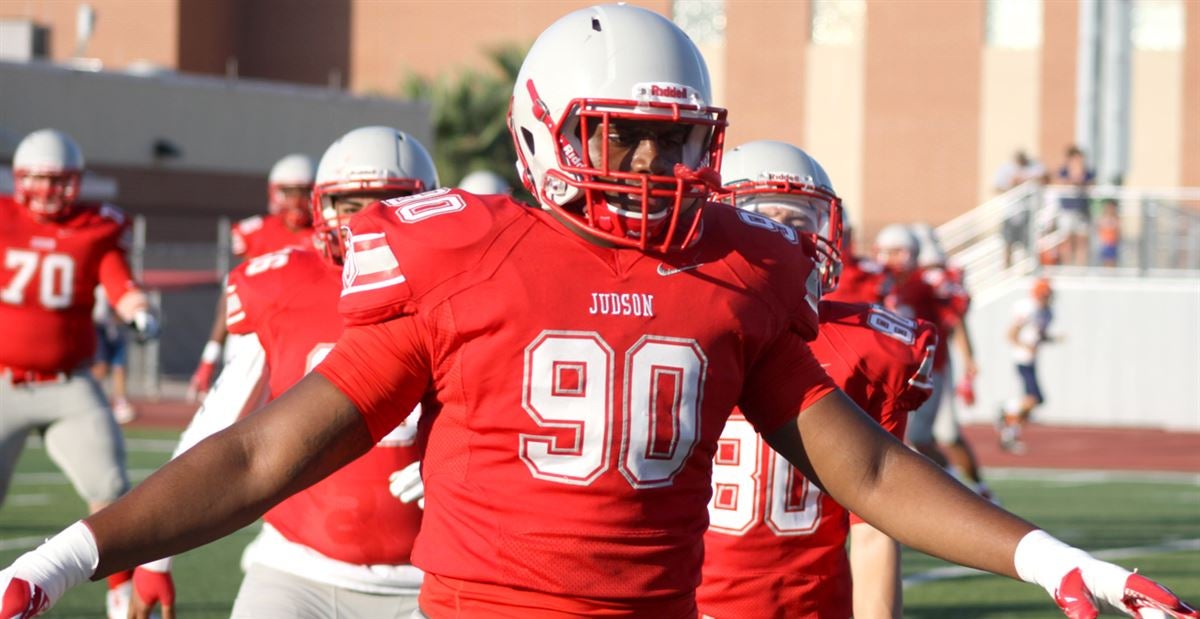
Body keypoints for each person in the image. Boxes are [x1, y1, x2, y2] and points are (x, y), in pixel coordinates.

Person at [2, 7, 1195, 619]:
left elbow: (867, 473)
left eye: (677, 136)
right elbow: (267, 447)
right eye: (623, 132)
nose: (655, 161)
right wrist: (66, 555)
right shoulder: (465, 257)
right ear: (545, 131)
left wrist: (1047, 556)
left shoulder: (736, 271)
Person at [131, 127, 436, 619]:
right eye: (352, 205)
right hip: (296, 569)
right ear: (321, 209)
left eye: (390, 203)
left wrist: (455, 460)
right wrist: (154, 555)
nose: (370, 222)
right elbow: (218, 422)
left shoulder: (464, 289)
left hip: (429, 575)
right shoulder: (282, 285)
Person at [698, 140, 938, 619]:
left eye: (799, 222)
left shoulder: (865, 347)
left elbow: (874, 524)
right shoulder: (681, 325)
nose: (787, 238)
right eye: (763, 218)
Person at [0, 128, 159, 619]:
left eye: (59, 181)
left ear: (76, 182)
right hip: (3, 381)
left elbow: (117, 279)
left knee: (111, 489)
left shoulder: (96, 227)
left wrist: (137, 309)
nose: (49, 191)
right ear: (21, 179)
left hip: (69, 384)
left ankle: (120, 594)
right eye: (41, 180)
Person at [187, 153, 316, 401]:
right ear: (275, 192)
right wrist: (209, 358)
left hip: (303, 335)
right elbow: (234, 294)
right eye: (289, 192)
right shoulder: (256, 232)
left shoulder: (325, 235)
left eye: (304, 191)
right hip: (255, 337)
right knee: (235, 411)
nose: (297, 200)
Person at [909, 223, 993, 500]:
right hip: (912, 365)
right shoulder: (908, 279)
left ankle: (968, 490)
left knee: (935, 436)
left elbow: (954, 317)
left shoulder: (928, 279)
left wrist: (968, 357)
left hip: (931, 366)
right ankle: (969, 490)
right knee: (931, 436)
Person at [998, 277, 1059, 453]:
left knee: (1032, 402)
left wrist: (1053, 339)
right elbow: (1011, 334)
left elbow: (1040, 336)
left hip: (1031, 360)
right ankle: (1007, 407)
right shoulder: (1030, 309)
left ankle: (1010, 434)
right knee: (1034, 399)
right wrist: (1026, 346)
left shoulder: (1046, 313)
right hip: (1022, 359)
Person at [91, 286, 136, 424]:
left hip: (116, 331)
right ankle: (91, 399)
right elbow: (97, 314)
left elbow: (125, 307)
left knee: (119, 367)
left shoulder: (120, 285)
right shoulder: (97, 287)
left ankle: (121, 403)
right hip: (100, 330)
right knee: (101, 368)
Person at [994, 150, 1046, 268]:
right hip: (1010, 212)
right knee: (1008, 242)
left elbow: (1044, 178)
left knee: (1029, 242)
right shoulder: (1006, 169)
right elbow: (997, 187)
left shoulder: (1033, 167)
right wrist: (1012, 184)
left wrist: (1026, 178)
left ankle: (1029, 267)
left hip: (1028, 212)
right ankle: (1007, 268)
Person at [1056, 145, 1095, 266]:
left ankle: (1080, 267)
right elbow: (1060, 183)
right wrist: (1073, 179)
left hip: (1082, 210)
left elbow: (1091, 184)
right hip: (1067, 210)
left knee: (1081, 240)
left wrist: (1081, 178)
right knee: (1066, 239)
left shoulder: (1087, 172)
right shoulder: (1064, 170)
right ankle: (1067, 266)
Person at [1096, 198, 1121, 267]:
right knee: (1104, 261)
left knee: (1111, 261)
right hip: (1104, 243)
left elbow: (1118, 232)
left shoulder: (1116, 218)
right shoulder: (1102, 218)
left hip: (1112, 244)